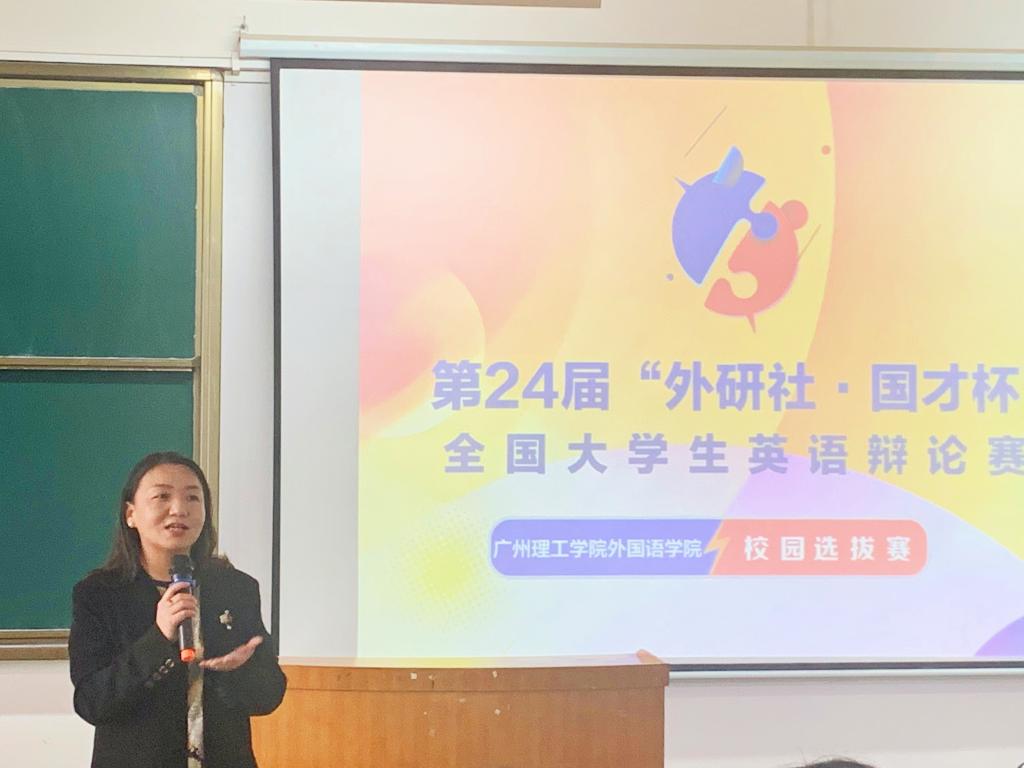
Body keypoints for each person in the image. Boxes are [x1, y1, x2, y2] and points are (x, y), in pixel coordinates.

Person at [69, 451, 286, 768]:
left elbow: (269, 695)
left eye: (193, 498)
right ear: (130, 514)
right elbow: (93, 703)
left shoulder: (236, 588)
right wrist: (158, 638)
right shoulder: (100, 594)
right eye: (162, 496)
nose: (179, 509)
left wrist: (237, 671)